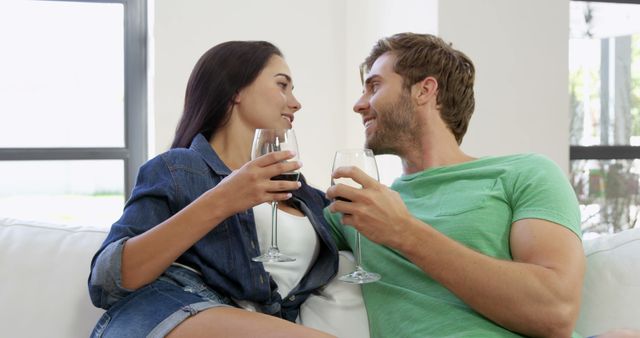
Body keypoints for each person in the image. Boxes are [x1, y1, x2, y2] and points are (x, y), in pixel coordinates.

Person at [324, 32, 586, 337]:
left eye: (374, 86)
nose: (359, 105)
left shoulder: (525, 173)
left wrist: (404, 232)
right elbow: (271, 228)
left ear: (425, 90)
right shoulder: (363, 209)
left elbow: (556, 312)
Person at [88, 41, 339, 338]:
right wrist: (223, 199)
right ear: (235, 90)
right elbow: (106, 282)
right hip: (173, 313)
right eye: (282, 85)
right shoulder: (178, 169)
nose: (295, 102)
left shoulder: (303, 195)